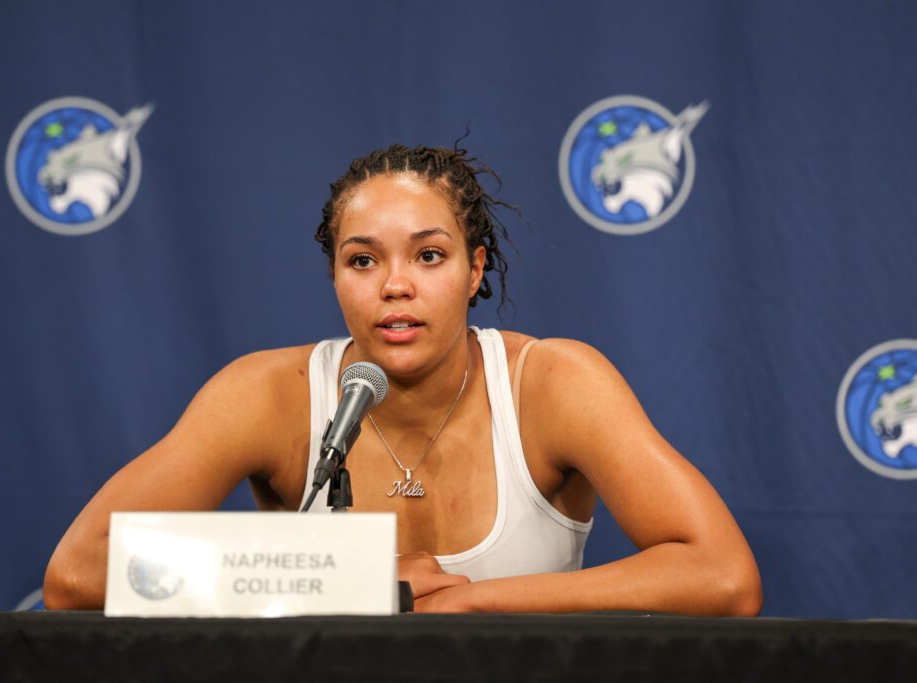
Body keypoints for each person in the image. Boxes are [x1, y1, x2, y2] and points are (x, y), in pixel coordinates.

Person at [43, 144, 762, 615]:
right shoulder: (268, 395)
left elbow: (725, 578)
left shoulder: (553, 382)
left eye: (428, 256)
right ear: (334, 276)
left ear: (475, 269)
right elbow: (77, 575)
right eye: (362, 260)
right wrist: (361, 585)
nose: (395, 285)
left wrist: (473, 603)